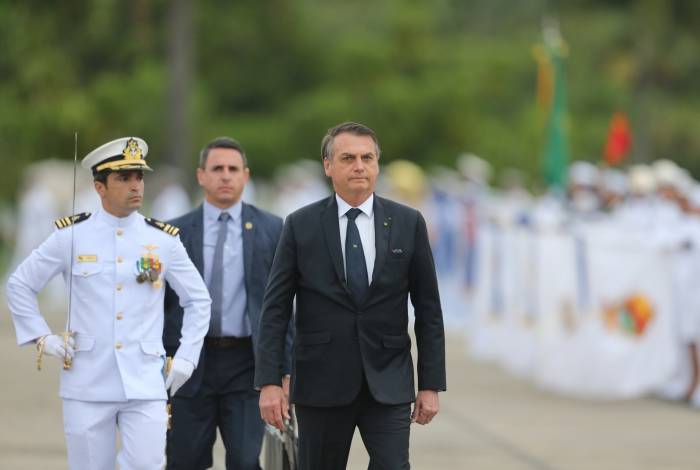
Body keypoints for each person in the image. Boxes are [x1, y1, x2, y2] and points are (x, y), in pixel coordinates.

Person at [5, 137, 211, 470]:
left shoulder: (162, 240)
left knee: (147, 465)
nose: (136, 186)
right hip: (87, 381)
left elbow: (198, 299)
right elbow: (20, 284)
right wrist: (43, 337)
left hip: (145, 380)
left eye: (139, 177)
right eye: (124, 178)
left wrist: (187, 358)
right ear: (99, 187)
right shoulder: (70, 237)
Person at [256, 122, 447, 470]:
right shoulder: (301, 225)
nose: (359, 166)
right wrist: (270, 381)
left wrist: (431, 384)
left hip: (388, 380)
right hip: (321, 383)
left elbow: (429, 310)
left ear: (377, 165)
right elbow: (275, 310)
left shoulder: (408, 222)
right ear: (328, 166)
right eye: (348, 158)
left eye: (367, 158)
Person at [163, 137, 290, 470]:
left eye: (233, 169)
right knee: (183, 460)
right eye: (217, 168)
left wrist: (285, 371)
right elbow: (158, 306)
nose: (225, 176)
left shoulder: (273, 230)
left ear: (245, 176)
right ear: (201, 175)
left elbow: (286, 309)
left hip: (247, 366)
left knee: (246, 461)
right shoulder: (173, 233)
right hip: (189, 364)